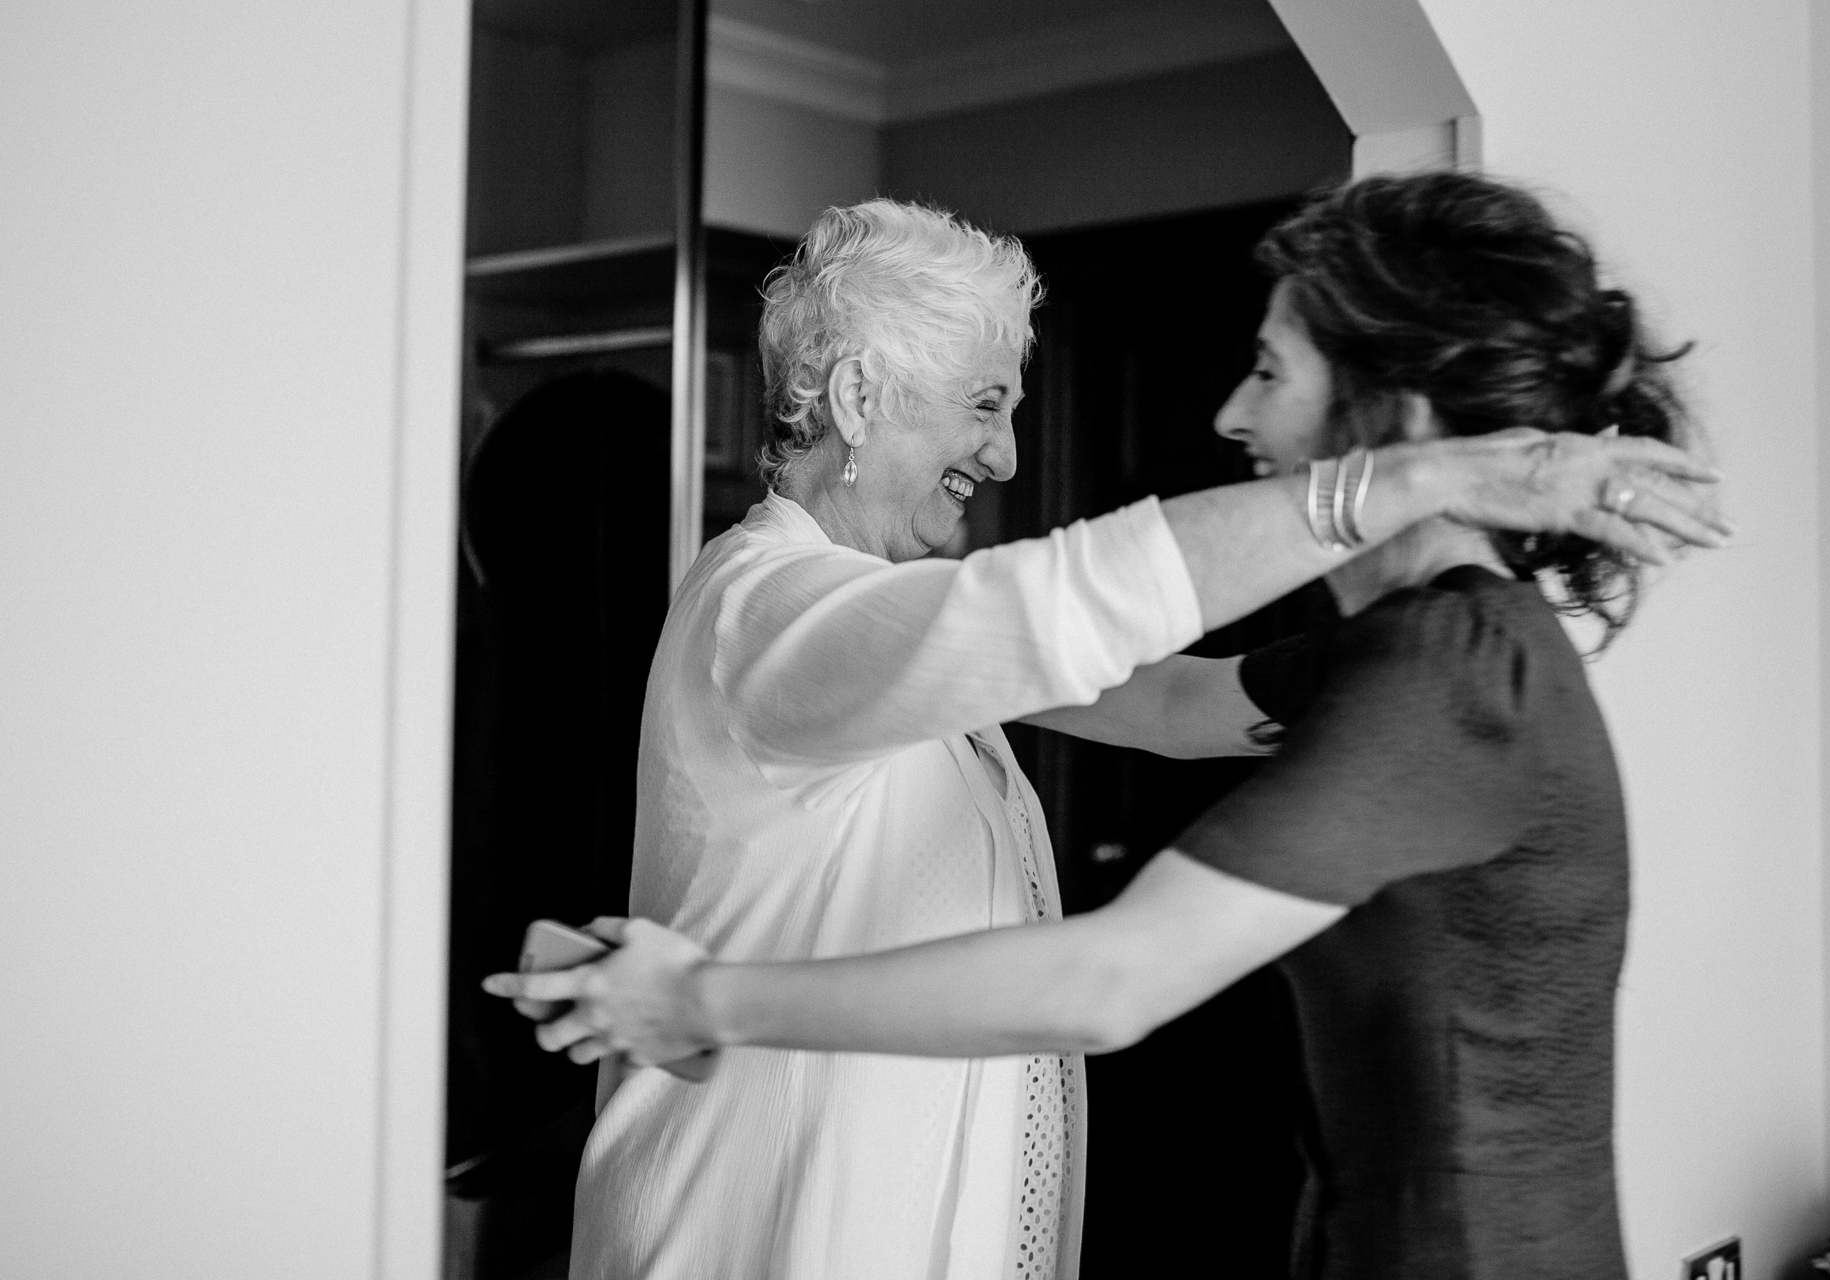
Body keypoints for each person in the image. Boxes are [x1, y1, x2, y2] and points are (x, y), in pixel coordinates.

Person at [487, 192, 1725, 1280]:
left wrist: (697, 995)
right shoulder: (775, 609)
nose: (1010, 451)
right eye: (984, 402)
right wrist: (1403, 484)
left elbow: (1171, 725)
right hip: (768, 1222)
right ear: (860, 395)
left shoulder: (1449, 659)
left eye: (1270, 372)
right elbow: (1056, 623)